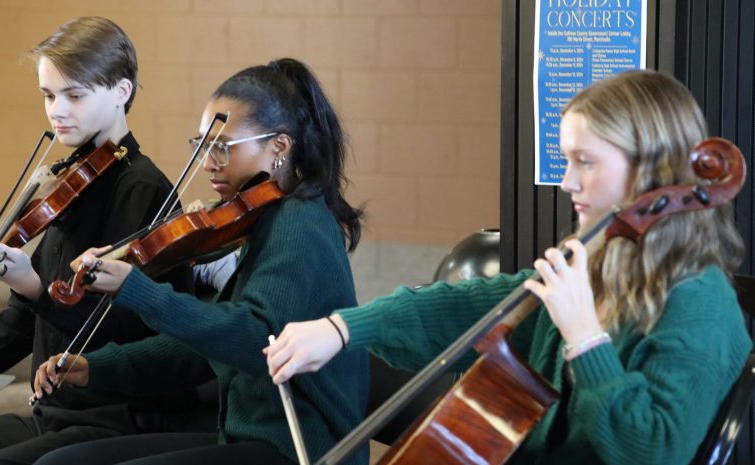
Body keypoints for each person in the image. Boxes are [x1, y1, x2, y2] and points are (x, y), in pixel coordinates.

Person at [266, 69, 753, 465]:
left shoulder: (699, 303)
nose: (567, 182)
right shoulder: (597, 267)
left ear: (652, 170)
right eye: (566, 160)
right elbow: (463, 308)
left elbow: (648, 450)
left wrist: (585, 336)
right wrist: (341, 328)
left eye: (585, 161)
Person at [31, 58, 369, 465]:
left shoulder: (300, 224)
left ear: (279, 147)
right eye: (202, 145)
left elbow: (254, 342)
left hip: (297, 448)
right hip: (244, 436)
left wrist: (136, 290)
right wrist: (97, 367)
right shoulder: (263, 219)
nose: (208, 161)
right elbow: (206, 350)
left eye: (222, 146)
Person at [0, 16, 205, 465]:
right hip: (52, 416)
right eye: (48, 95)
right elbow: (22, 323)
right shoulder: (70, 188)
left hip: (116, 418)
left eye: (74, 95)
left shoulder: (142, 189)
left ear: (121, 92)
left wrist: (34, 286)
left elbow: (120, 330)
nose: (56, 110)